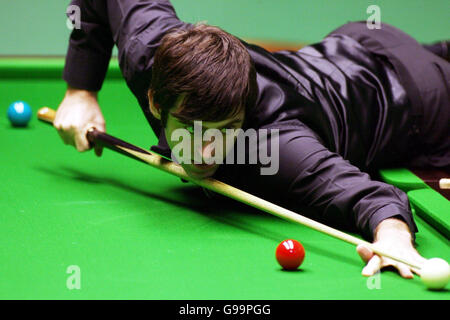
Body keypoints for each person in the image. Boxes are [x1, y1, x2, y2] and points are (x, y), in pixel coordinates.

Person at [55, 0, 449, 279]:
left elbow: (373, 198)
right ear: (156, 100)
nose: (204, 151)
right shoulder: (151, 54)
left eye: (224, 130)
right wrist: (80, 90)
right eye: (191, 127)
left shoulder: (274, 147)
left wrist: (393, 238)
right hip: (355, 45)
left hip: (420, 98)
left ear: (243, 113)